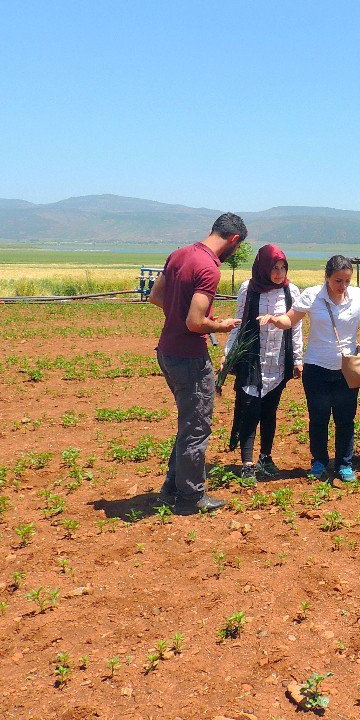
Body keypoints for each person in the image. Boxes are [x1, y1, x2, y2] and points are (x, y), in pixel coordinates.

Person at [257, 255, 360, 482]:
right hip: (316, 369)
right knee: (318, 418)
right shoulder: (312, 295)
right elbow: (289, 320)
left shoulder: (358, 296)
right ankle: (319, 461)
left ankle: (344, 463)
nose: (342, 286)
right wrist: (274, 319)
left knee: (345, 419)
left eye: (347, 281)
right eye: (338, 281)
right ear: (327, 277)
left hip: (346, 370)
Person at [149, 213, 247, 515]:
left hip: (166, 350)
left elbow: (155, 297)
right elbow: (194, 323)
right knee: (196, 426)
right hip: (189, 356)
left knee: (187, 422)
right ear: (233, 240)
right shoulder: (208, 268)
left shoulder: (179, 254)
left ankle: (170, 489)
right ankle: (191, 498)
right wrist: (221, 326)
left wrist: (189, 317)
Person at [224, 244, 304, 481]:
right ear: (263, 267)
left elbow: (296, 326)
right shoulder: (248, 289)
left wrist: (298, 358)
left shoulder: (291, 291)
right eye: (274, 267)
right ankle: (247, 463)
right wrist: (228, 355)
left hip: (278, 360)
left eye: (283, 267)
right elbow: (238, 323)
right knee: (250, 409)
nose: (279, 273)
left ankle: (265, 457)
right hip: (252, 358)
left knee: (270, 411)